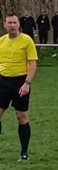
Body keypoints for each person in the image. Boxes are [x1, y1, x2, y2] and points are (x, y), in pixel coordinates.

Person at [0, 14, 37, 161]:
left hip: (20, 82)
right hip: (3, 82)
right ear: (5, 24)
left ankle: (24, 152)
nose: (12, 25)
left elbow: (33, 63)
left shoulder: (27, 40)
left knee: (21, 117)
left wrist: (27, 83)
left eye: (14, 22)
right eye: (9, 22)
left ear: (19, 24)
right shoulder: (1, 41)